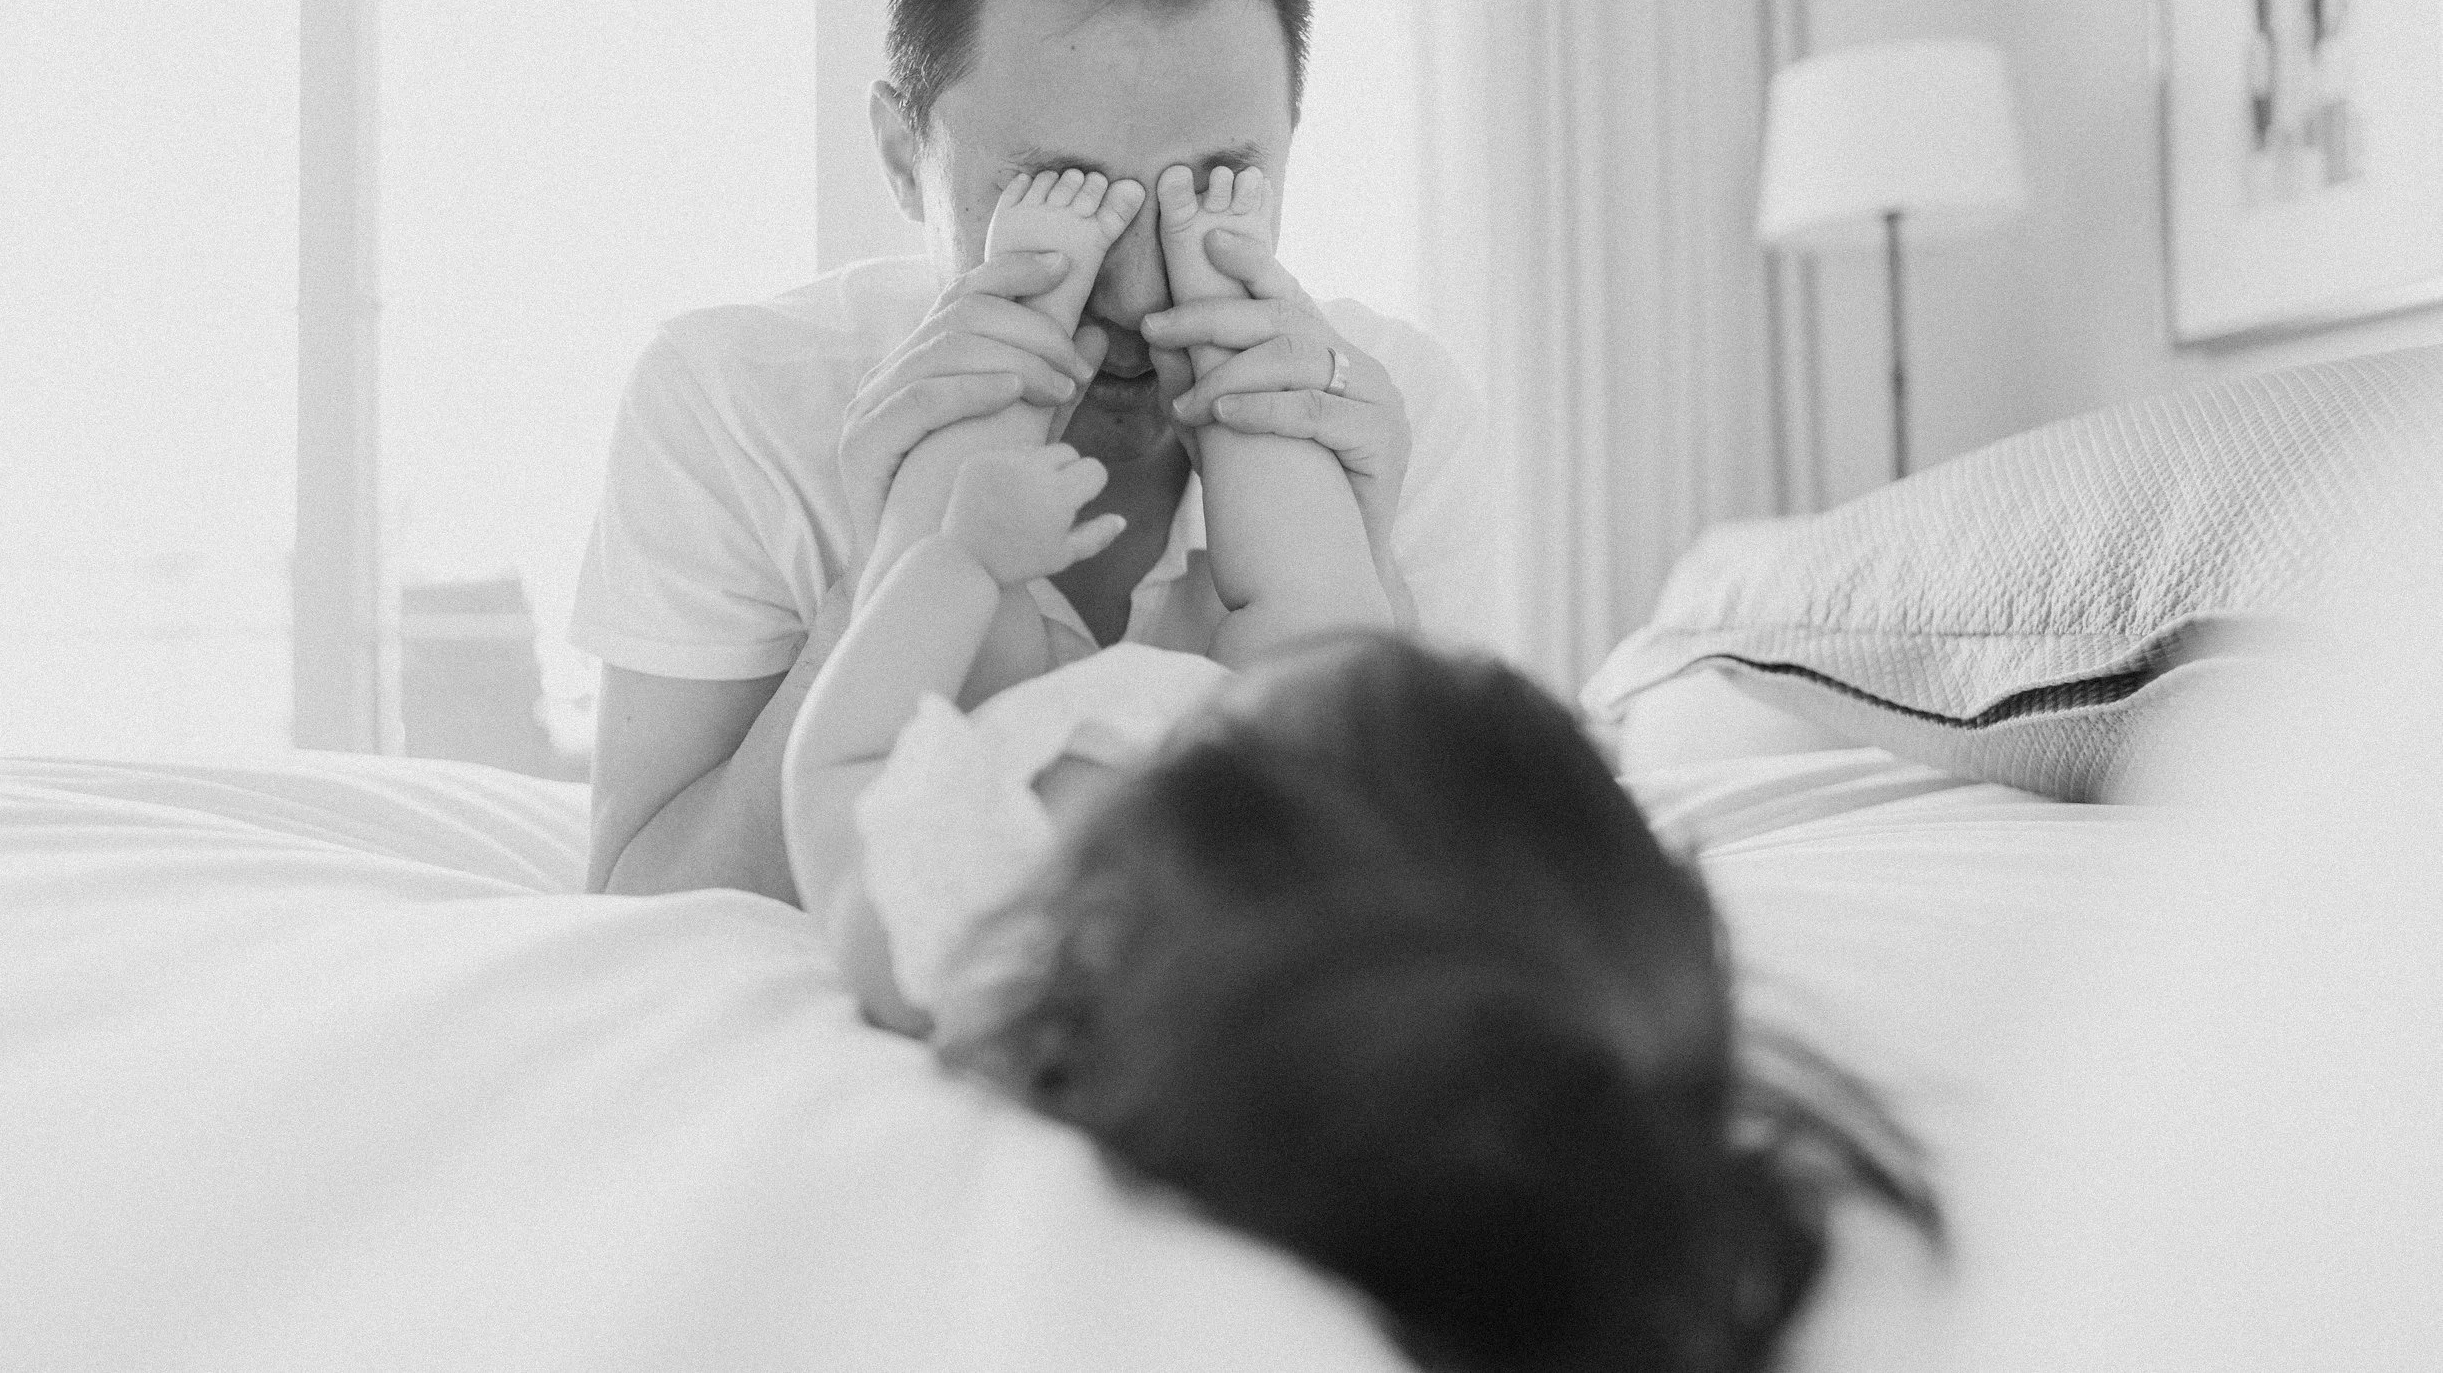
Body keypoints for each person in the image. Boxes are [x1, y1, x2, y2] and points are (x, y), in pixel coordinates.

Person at [780, 340, 1936, 1373]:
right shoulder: (1364, 971)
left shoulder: (1007, 929)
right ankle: (1238, 345)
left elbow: (838, 768)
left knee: (1053, 615)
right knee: (1304, 600)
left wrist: (953, 558)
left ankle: (1125, 333)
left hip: (1025, 722)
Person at [572, 0, 1493, 899]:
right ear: (899, 151)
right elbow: (640, 899)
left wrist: (1367, 564)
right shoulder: (729, 398)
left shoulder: (1376, 406)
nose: (1143, 286)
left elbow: (1434, 890)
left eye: (1214, 191)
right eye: (1059, 197)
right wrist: (883, 584)